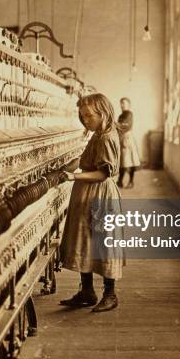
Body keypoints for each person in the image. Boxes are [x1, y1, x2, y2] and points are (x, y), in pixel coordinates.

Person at [58, 93, 124, 312]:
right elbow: (87, 160)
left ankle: (110, 294)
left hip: (100, 195)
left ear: (103, 114)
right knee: (84, 240)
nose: (85, 120)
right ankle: (87, 291)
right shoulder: (98, 134)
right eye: (82, 116)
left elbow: (103, 174)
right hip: (88, 194)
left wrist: (73, 176)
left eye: (89, 116)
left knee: (103, 244)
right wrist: (68, 165)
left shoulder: (106, 137)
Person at [117, 97, 142, 189]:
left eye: (124, 103)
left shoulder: (129, 114)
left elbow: (125, 126)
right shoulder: (121, 115)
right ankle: (120, 181)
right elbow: (119, 126)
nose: (122, 105)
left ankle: (131, 182)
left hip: (127, 138)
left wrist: (117, 125)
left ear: (128, 105)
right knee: (123, 161)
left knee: (130, 161)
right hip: (122, 138)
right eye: (121, 103)